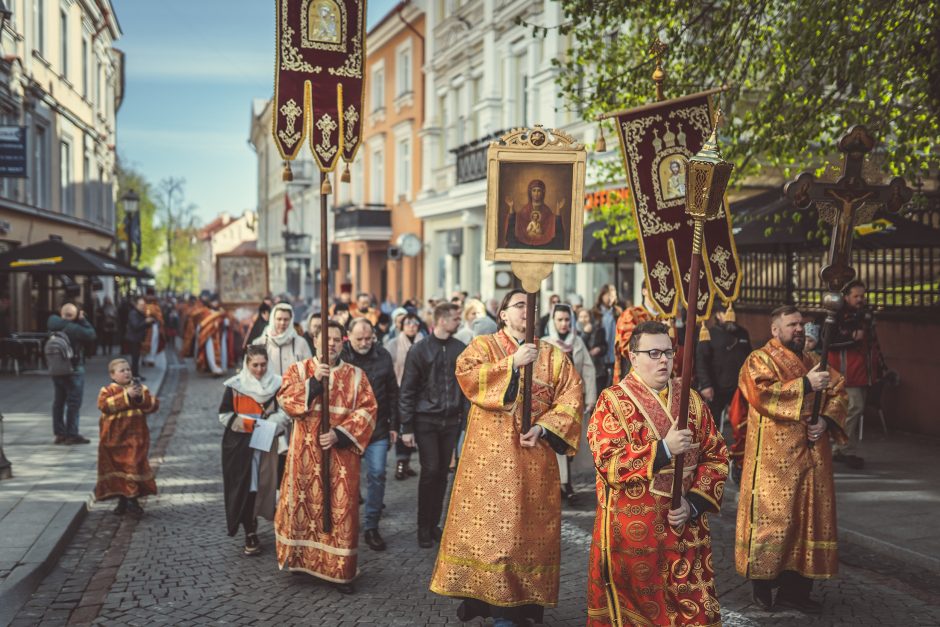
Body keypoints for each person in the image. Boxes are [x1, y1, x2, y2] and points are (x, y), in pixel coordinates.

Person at [429, 289, 583, 626]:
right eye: (520, 306)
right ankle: (493, 610)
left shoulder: (554, 357)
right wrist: (512, 363)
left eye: (532, 306)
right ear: (503, 314)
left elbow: (571, 398)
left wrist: (544, 428)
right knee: (494, 539)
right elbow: (467, 376)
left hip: (533, 460)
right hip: (489, 464)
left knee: (527, 536)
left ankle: (525, 608)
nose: (528, 311)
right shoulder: (483, 347)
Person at [585, 321, 729, 626]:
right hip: (636, 532)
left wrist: (693, 504)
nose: (663, 359)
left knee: (694, 611)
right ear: (633, 357)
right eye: (653, 353)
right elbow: (608, 461)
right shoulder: (612, 401)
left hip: (684, 527)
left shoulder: (691, 400)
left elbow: (716, 455)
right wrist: (662, 450)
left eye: (668, 352)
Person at [736, 305, 848, 613]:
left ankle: (796, 592)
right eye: (791, 324)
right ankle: (763, 586)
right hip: (776, 462)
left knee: (808, 522)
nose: (798, 329)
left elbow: (839, 390)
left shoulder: (813, 360)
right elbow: (760, 394)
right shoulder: (759, 359)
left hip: (813, 458)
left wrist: (825, 419)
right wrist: (807, 385)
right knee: (775, 522)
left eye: (801, 324)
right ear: (775, 330)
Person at [275, 321, 377, 593]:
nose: (330, 344)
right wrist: (312, 385)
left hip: (340, 458)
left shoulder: (356, 375)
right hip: (304, 457)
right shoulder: (298, 370)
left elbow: (368, 411)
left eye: (335, 339)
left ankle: (339, 570)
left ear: (342, 342)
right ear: (315, 339)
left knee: (340, 512)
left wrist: (339, 434)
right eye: (325, 339)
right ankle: (304, 564)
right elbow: (285, 401)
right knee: (304, 506)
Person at [399, 302, 466, 548]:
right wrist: (406, 427)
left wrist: (465, 419)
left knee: (441, 475)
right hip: (425, 420)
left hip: (451, 421)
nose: (459, 323)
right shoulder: (419, 350)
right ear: (441, 321)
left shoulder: (461, 348)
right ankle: (422, 528)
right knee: (430, 471)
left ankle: (435, 524)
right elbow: (407, 390)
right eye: (456, 319)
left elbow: (467, 387)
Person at [219, 345, 289, 555]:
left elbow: (286, 411)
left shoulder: (278, 384)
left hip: (268, 442)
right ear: (247, 364)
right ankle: (249, 530)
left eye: (263, 364)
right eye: (255, 365)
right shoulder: (235, 385)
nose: (259, 369)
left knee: (267, 485)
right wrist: (250, 424)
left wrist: (272, 423)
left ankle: (280, 525)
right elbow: (224, 415)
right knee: (246, 487)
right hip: (240, 446)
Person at [340, 318, 399, 551]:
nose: (365, 342)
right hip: (348, 429)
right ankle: (347, 523)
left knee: (377, 474)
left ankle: (372, 526)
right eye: (359, 339)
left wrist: (395, 424)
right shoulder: (342, 357)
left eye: (368, 338)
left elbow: (393, 392)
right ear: (348, 337)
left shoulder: (383, 355)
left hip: (378, 428)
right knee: (347, 479)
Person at [543, 302, 597, 502]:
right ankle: (562, 485)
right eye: (560, 320)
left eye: (567, 319)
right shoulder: (546, 343)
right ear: (553, 321)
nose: (564, 324)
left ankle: (567, 483)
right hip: (553, 402)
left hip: (574, 402)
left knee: (570, 443)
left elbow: (589, 371)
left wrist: (590, 397)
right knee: (555, 442)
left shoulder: (578, 342)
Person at [95, 358, 160, 517]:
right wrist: (126, 395)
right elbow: (104, 405)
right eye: (122, 370)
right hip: (113, 440)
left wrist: (138, 398)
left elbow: (153, 405)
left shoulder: (140, 388)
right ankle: (123, 500)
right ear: (113, 375)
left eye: (128, 369)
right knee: (118, 469)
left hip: (135, 438)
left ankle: (133, 501)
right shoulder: (107, 390)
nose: (126, 372)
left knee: (132, 466)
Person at [828, 280, 882, 469]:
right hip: (846, 371)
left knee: (852, 410)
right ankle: (845, 448)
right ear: (846, 297)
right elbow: (829, 341)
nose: (860, 299)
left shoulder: (865, 315)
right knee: (854, 408)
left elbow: (872, 343)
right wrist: (850, 337)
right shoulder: (837, 315)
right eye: (856, 296)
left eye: (862, 296)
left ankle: (839, 448)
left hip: (862, 371)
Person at [48, 303, 97, 444]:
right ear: (74, 315)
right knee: (73, 403)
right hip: (74, 370)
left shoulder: (53, 324)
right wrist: (82, 320)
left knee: (58, 402)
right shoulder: (74, 328)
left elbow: (52, 318)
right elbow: (91, 334)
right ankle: (72, 434)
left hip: (56, 370)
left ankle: (59, 434)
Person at [695, 301, 752, 421]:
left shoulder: (743, 333)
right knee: (713, 425)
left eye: (732, 312)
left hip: (739, 387)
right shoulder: (709, 334)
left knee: (740, 423)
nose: (730, 316)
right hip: (716, 388)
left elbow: (750, 359)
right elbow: (701, 361)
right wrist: (706, 385)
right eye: (725, 312)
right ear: (718, 315)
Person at [386, 311, 423, 480]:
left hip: (420, 391)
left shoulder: (423, 342)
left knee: (414, 426)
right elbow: (388, 368)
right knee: (403, 426)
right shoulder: (393, 344)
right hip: (400, 390)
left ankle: (407, 463)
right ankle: (401, 462)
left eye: (415, 323)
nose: (412, 326)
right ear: (401, 326)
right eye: (408, 323)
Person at [503, 179, 567, 250]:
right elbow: (516, 220)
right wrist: (511, 207)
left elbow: (553, 223)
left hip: (544, 242)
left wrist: (558, 209)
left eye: (539, 191)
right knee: (513, 244)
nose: (536, 193)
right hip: (525, 241)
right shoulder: (525, 209)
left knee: (556, 245)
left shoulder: (546, 210)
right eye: (534, 190)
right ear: (530, 192)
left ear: (543, 193)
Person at [252, 303, 312, 376]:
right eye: (279, 319)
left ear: (291, 320)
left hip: (294, 387)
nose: (282, 322)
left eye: (286, 319)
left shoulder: (301, 343)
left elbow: (309, 370)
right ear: (273, 319)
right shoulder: (259, 343)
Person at [196, 296, 235, 375]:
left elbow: (227, 322)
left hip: (220, 335)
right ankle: (214, 368)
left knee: (223, 350)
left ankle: (222, 367)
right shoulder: (206, 312)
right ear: (210, 303)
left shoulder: (222, 312)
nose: (215, 303)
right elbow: (201, 325)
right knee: (210, 351)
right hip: (210, 335)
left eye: (216, 302)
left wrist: (225, 322)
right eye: (213, 302)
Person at [593, 284, 620, 388]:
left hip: (614, 358)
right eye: (608, 295)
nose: (610, 299)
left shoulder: (618, 312)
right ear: (602, 295)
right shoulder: (595, 312)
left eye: (613, 296)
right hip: (599, 358)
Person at [577, 307, 608, 398]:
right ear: (578, 318)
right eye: (581, 317)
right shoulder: (574, 332)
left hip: (597, 368)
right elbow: (579, 347)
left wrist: (600, 349)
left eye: (586, 316)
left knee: (597, 396)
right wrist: (586, 334)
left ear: (590, 317)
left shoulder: (599, 329)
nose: (583, 319)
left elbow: (605, 346)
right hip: (582, 369)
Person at [123, 297, 152, 379]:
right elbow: (136, 326)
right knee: (134, 358)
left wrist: (149, 322)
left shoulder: (140, 313)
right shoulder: (133, 313)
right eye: (141, 305)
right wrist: (145, 322)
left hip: (137, 338)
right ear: (136, 305)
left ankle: (135, 374)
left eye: (144, 305)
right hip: (133, 339)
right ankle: (133, 375)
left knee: (136, 357)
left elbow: (142, 325)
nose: (143, 306)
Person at [141, 296, 165, 367]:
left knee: (151, 343)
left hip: (150, 327)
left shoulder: (147, 307)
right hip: (149, 328)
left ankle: (148, 359)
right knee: (149, 343)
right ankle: (147, 359)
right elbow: (160, 318)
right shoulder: (154, 307)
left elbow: (159, 318)